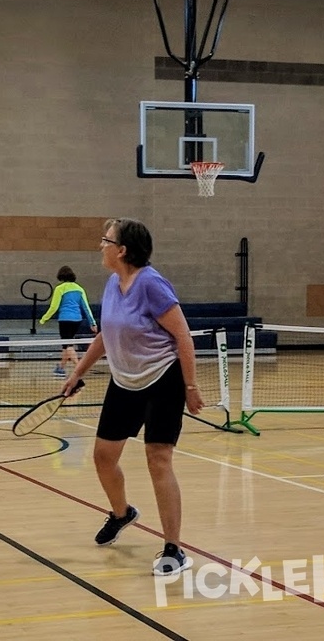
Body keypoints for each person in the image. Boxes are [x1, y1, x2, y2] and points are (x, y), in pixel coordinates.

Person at [61, 218, 203, 576]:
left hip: (163, 379)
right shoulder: (112, 283)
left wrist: (190, 386)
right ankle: (123, 513)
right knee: (103, 457)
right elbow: (105, 336)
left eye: (105, 240)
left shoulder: (152, 285)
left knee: (158, 458)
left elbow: (183, 337)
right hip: (124, 381)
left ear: (122, 250)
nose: (101, 246)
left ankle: (174, 549)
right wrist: (78, 373)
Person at [39, 265, 98, 376]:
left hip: (65, 320)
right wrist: (92, 322)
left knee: (68, 345)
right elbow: (86, 307)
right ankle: (61, 368)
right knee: (66, 344)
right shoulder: (80, 289)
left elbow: (54, 307)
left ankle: (80, 368)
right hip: (77, 320)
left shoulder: (60, 288)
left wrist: (44, 319)